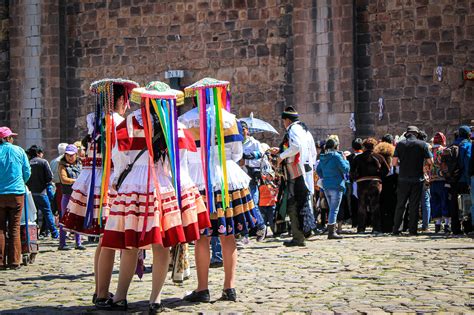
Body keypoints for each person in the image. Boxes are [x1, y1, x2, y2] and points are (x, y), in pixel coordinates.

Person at [270, 107, 316, 246]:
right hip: (304, 171)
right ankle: (304, 232)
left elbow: (295, 147)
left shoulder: (293, 130)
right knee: (303, 203)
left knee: (293, 204)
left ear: (287, 120)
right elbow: (312, 152)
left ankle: (298, 236)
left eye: (284, 121)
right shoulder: (305, 130)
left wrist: (280, 157)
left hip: (295, 172)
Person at [392, 126, 433, 236]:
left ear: (407, 134)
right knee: (414, 205)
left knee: (401, 204)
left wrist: (403, 164)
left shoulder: (400, 144)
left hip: (403, 178)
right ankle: (412, 230)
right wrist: (425, 167)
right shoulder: (422, 144)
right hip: (417, 178)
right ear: (416, 134)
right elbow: (430, 161)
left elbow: (394, 163)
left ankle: (397, 229)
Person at [0, 127, 31, 270]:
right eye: (11, 137)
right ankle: (14, 261)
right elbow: (26, 171)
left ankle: (0, 261)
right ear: (7, 138)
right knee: (14, 227)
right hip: (17, 193)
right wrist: (21, 182)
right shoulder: (19, 151)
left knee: (0, 228)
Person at [351, 138, 389, 234]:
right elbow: (387, 169)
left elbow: (352, 171)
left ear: (364, 146)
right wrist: (380, 177)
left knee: (361, 206)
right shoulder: (379, 157)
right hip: (375, 183)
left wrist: (356, 178)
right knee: (375, 205)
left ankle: (361, 228)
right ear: (374, 146)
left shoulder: (358, 158)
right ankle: (376, 228)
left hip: (362, 183)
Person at [316, 138, 350, 239]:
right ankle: (331, 232)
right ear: (336, 146)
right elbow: (346, 169)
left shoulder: (323, 157)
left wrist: (326, 177)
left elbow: (318, 171)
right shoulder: (337, 156)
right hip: (336, 184)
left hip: (326, 185)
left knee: (332, 209)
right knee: (334, 209)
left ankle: (331, 229)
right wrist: (345, 160)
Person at [241, 121, 267, 242]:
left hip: (251, 176)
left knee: (251, 204)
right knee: (240, 206)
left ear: (247, 130)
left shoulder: (254, 143)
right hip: (238, 177)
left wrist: (248, 157)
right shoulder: (235, 143)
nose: (241, 132)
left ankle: (261, 226)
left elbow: (261, 155)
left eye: (243, 129)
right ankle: (244, 235)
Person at [26, 145, 59, 239]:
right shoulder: (43, 162)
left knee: (32, 215)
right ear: (38, 153)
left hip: (30, 193)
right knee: (48, 212)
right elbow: (49, 177)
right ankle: (54, 233)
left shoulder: (28, 163)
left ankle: (34, 234)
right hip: (42, 192)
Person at [58, 144, 84, 250]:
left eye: (72, 155)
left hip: (79, 194)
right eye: (68, 155)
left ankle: (78, 242)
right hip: (67, 195)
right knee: (65, 218)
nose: (70, 157)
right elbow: (64, 179)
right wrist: (79, 181)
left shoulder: (81, 163)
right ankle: (62, 243)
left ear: (76, 155)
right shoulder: (62, 165)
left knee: (79, 217)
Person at [447, 125, 472, 234]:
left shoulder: (452, 145)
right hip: (463, 179)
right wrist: (469, 181)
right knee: (468, 203)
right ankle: (468, 226)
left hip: (452, 179)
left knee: (454, 203)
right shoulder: (467, 145)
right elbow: (467, 163)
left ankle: (455, 228)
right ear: (468, 134)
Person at [374, 136, 396, 233]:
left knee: (381, 204)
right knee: (391, 203)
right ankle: (390, 225)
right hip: (391, 180)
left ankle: (381, 226)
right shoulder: (391, 153)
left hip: (380, 180)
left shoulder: (378, 154)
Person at [429, 132, 450, 233]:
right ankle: (446, 224)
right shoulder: (444, 150)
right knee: (445, 201)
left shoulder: (429, 150)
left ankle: (437, 225)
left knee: (435, 201)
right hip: (443, 180)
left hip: (432, 180)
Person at [347, 138, 363, 228]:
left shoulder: (350, 158)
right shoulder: (365, 156)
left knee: (354, 202)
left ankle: (355, 222)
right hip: (364, 181)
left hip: (354, 181)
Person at [50, 143, 68, 223]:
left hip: (57, 187)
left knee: (61, 208)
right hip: (67, 187)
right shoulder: (67, 161)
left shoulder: (53, 162)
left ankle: (62, 227)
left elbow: (51, 177)